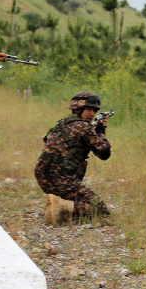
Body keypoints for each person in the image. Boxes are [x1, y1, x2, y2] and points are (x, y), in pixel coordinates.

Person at [34, 91, 112, 224]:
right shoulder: (84, 127)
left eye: (94, 110)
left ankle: (62, 207)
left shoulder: (61, 124)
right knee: (100, 210)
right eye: (88, 109)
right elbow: (104, 153)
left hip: (43, 177)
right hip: (62, 180)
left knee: (81, 205)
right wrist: (101, 132)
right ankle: (61, 206)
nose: (92, 114)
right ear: (78, 109)